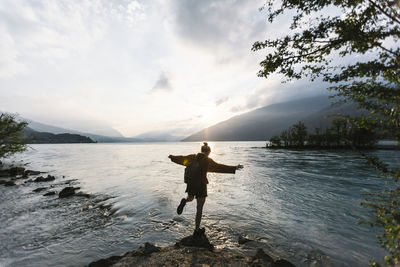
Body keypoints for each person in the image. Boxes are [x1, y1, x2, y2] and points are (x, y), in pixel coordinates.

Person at [168, 142, 243, 235]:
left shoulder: (192, 157)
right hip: (201, 185)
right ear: (208, 152)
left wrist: (172, 157)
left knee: (190, 198)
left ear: (201, 150)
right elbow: (219, 167)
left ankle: (184, 200)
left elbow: (182, 159)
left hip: (191, 183)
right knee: (199, 209)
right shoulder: (208, 160)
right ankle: (196, 229)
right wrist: (234, 168)